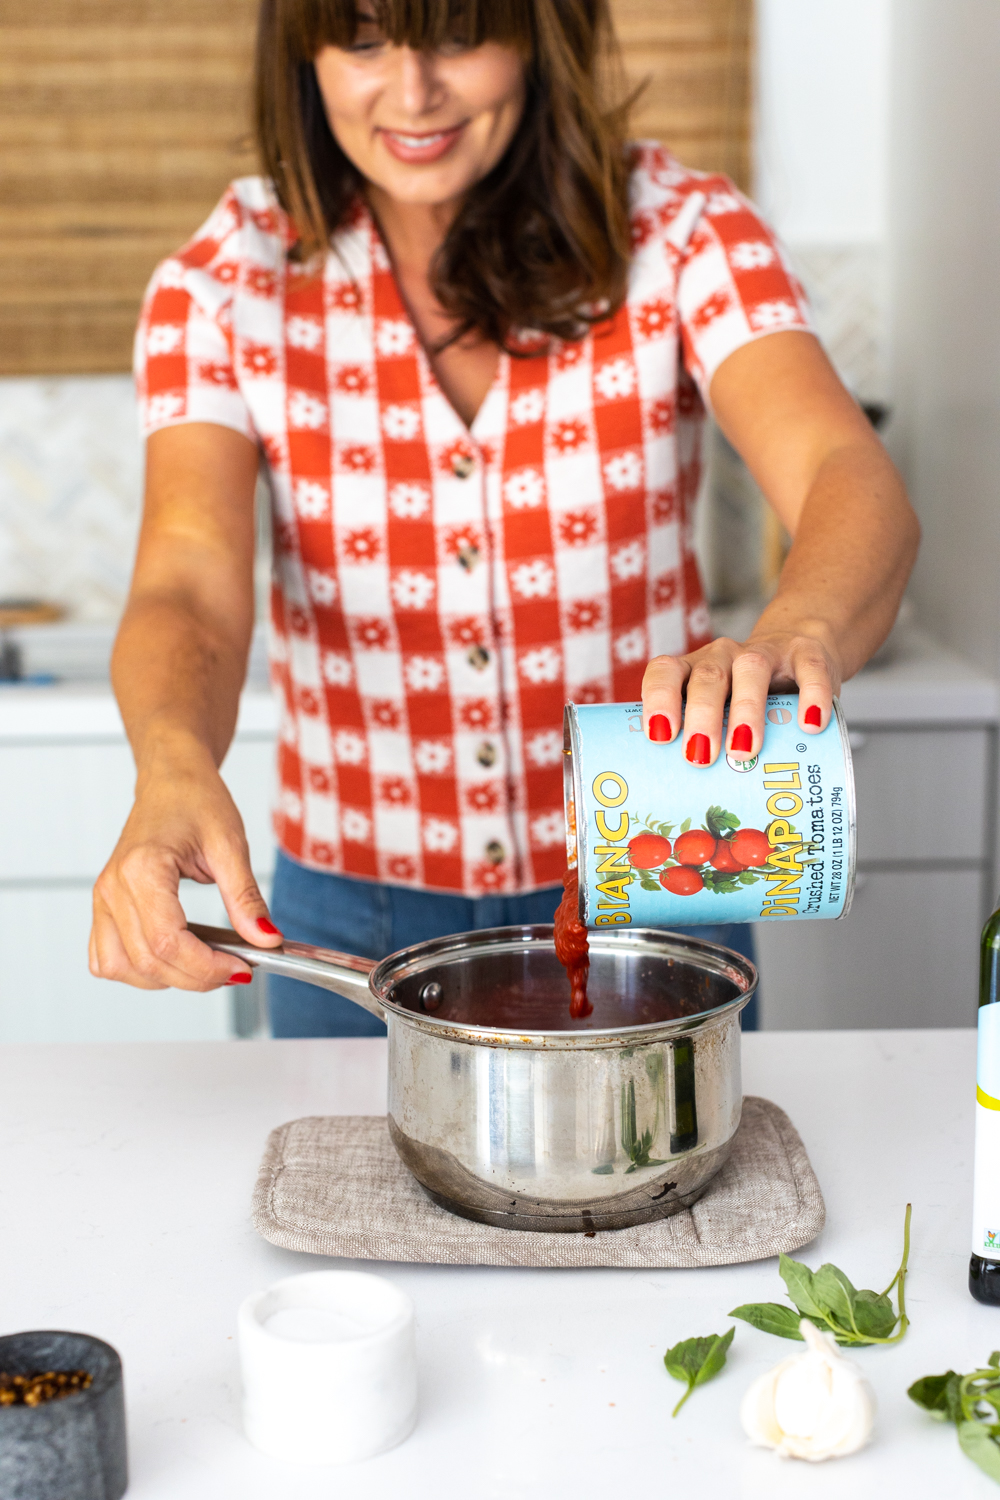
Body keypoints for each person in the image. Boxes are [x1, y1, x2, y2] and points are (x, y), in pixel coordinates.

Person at [89, 0, 919, 1035]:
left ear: (538, 33)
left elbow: (845, 468)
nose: (411, 89)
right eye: (360, 39)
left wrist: (804, 627)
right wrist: (172, 761)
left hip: (662, 878)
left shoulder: (682, 227)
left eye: (455, 33)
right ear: (302, 56)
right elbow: (186, 577)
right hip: (348, 911)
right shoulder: (221, 284)